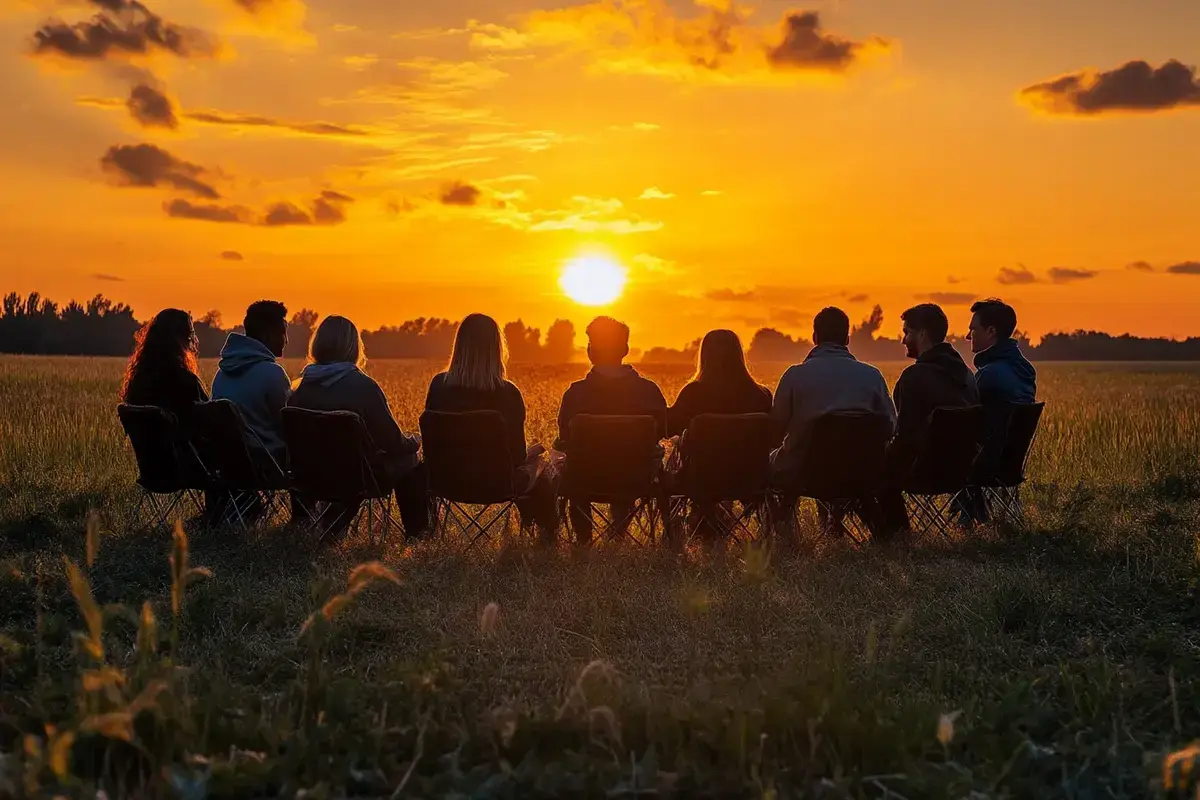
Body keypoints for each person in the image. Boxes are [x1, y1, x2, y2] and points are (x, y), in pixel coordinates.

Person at [287, 315, 429, 540]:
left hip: (310, 477)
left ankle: (309, 522)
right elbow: (391, 441)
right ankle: (419, 534)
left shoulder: (299, 388)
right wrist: (414, 441)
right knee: (408, 459)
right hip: (358, 478)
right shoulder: (363, 387)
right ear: (354, 347)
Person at [424, 313, 559, 538]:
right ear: (497, 348)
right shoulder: (508, 393)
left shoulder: (439, 386)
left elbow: (431, 448)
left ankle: (425, 533)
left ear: (458, 346)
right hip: (499, 484)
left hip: (445, 482)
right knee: (542, 468)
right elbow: (516, 457)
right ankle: (544, 536)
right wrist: (534, 452)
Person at [768, 307, 895, 535]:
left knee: (780, 461)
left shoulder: (795, 376)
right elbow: (890, 427)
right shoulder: (872, 376)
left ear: (814, 338)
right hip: (862, 471)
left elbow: (775, 428)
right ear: (847, 338)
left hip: (806, 472)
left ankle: (781, 532)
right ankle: (863, 526)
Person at [556, 316, 667, 544]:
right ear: (625, 349)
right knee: (639, 462)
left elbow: (564, 440)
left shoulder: (576, 394)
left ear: (590, 351)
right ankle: (619, 533)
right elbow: (662, 434)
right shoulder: (648, 392)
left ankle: (583, 539)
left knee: (569, 465)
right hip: (637, 479)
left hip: (583, 479)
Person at [876, 303, 980, 537]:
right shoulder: (966, 374)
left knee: (872, 466)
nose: (903, 340)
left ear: (922, 333)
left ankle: (896, 535)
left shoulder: (914, 377)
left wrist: (881, 451)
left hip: (925, 473)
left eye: (907, 332)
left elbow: (905, 438)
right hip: (964, 471)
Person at [667, 329, 772, 542]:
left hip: (702, 478)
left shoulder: (693, 393)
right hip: (751, 478)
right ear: (739, 355)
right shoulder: (760, 395)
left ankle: (688, 524)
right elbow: (773, 436)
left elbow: (669, 428)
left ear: (704, 356)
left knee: (678, 445)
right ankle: (720, 519)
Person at [964, 298, 1037, 521]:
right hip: (1011, 464)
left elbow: (970, 422)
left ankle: (968, 521)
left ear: (991, 331)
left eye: (973, 329)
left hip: (987, 465)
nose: (968, 336)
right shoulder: (1025, 371)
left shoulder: (989, 375)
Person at [211, 300, 291, 466]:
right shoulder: (272, 374)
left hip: (228, 463)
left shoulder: (221, 374)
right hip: (267, 463)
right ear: (268, 336)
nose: (287, 341)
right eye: (283, 333)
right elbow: (288, 427)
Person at [120, 308, 208, 415]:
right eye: (190, 335)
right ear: (180, 340)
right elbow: (207, 417)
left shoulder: (137, 380)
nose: (192, 341)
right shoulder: (186, 381)